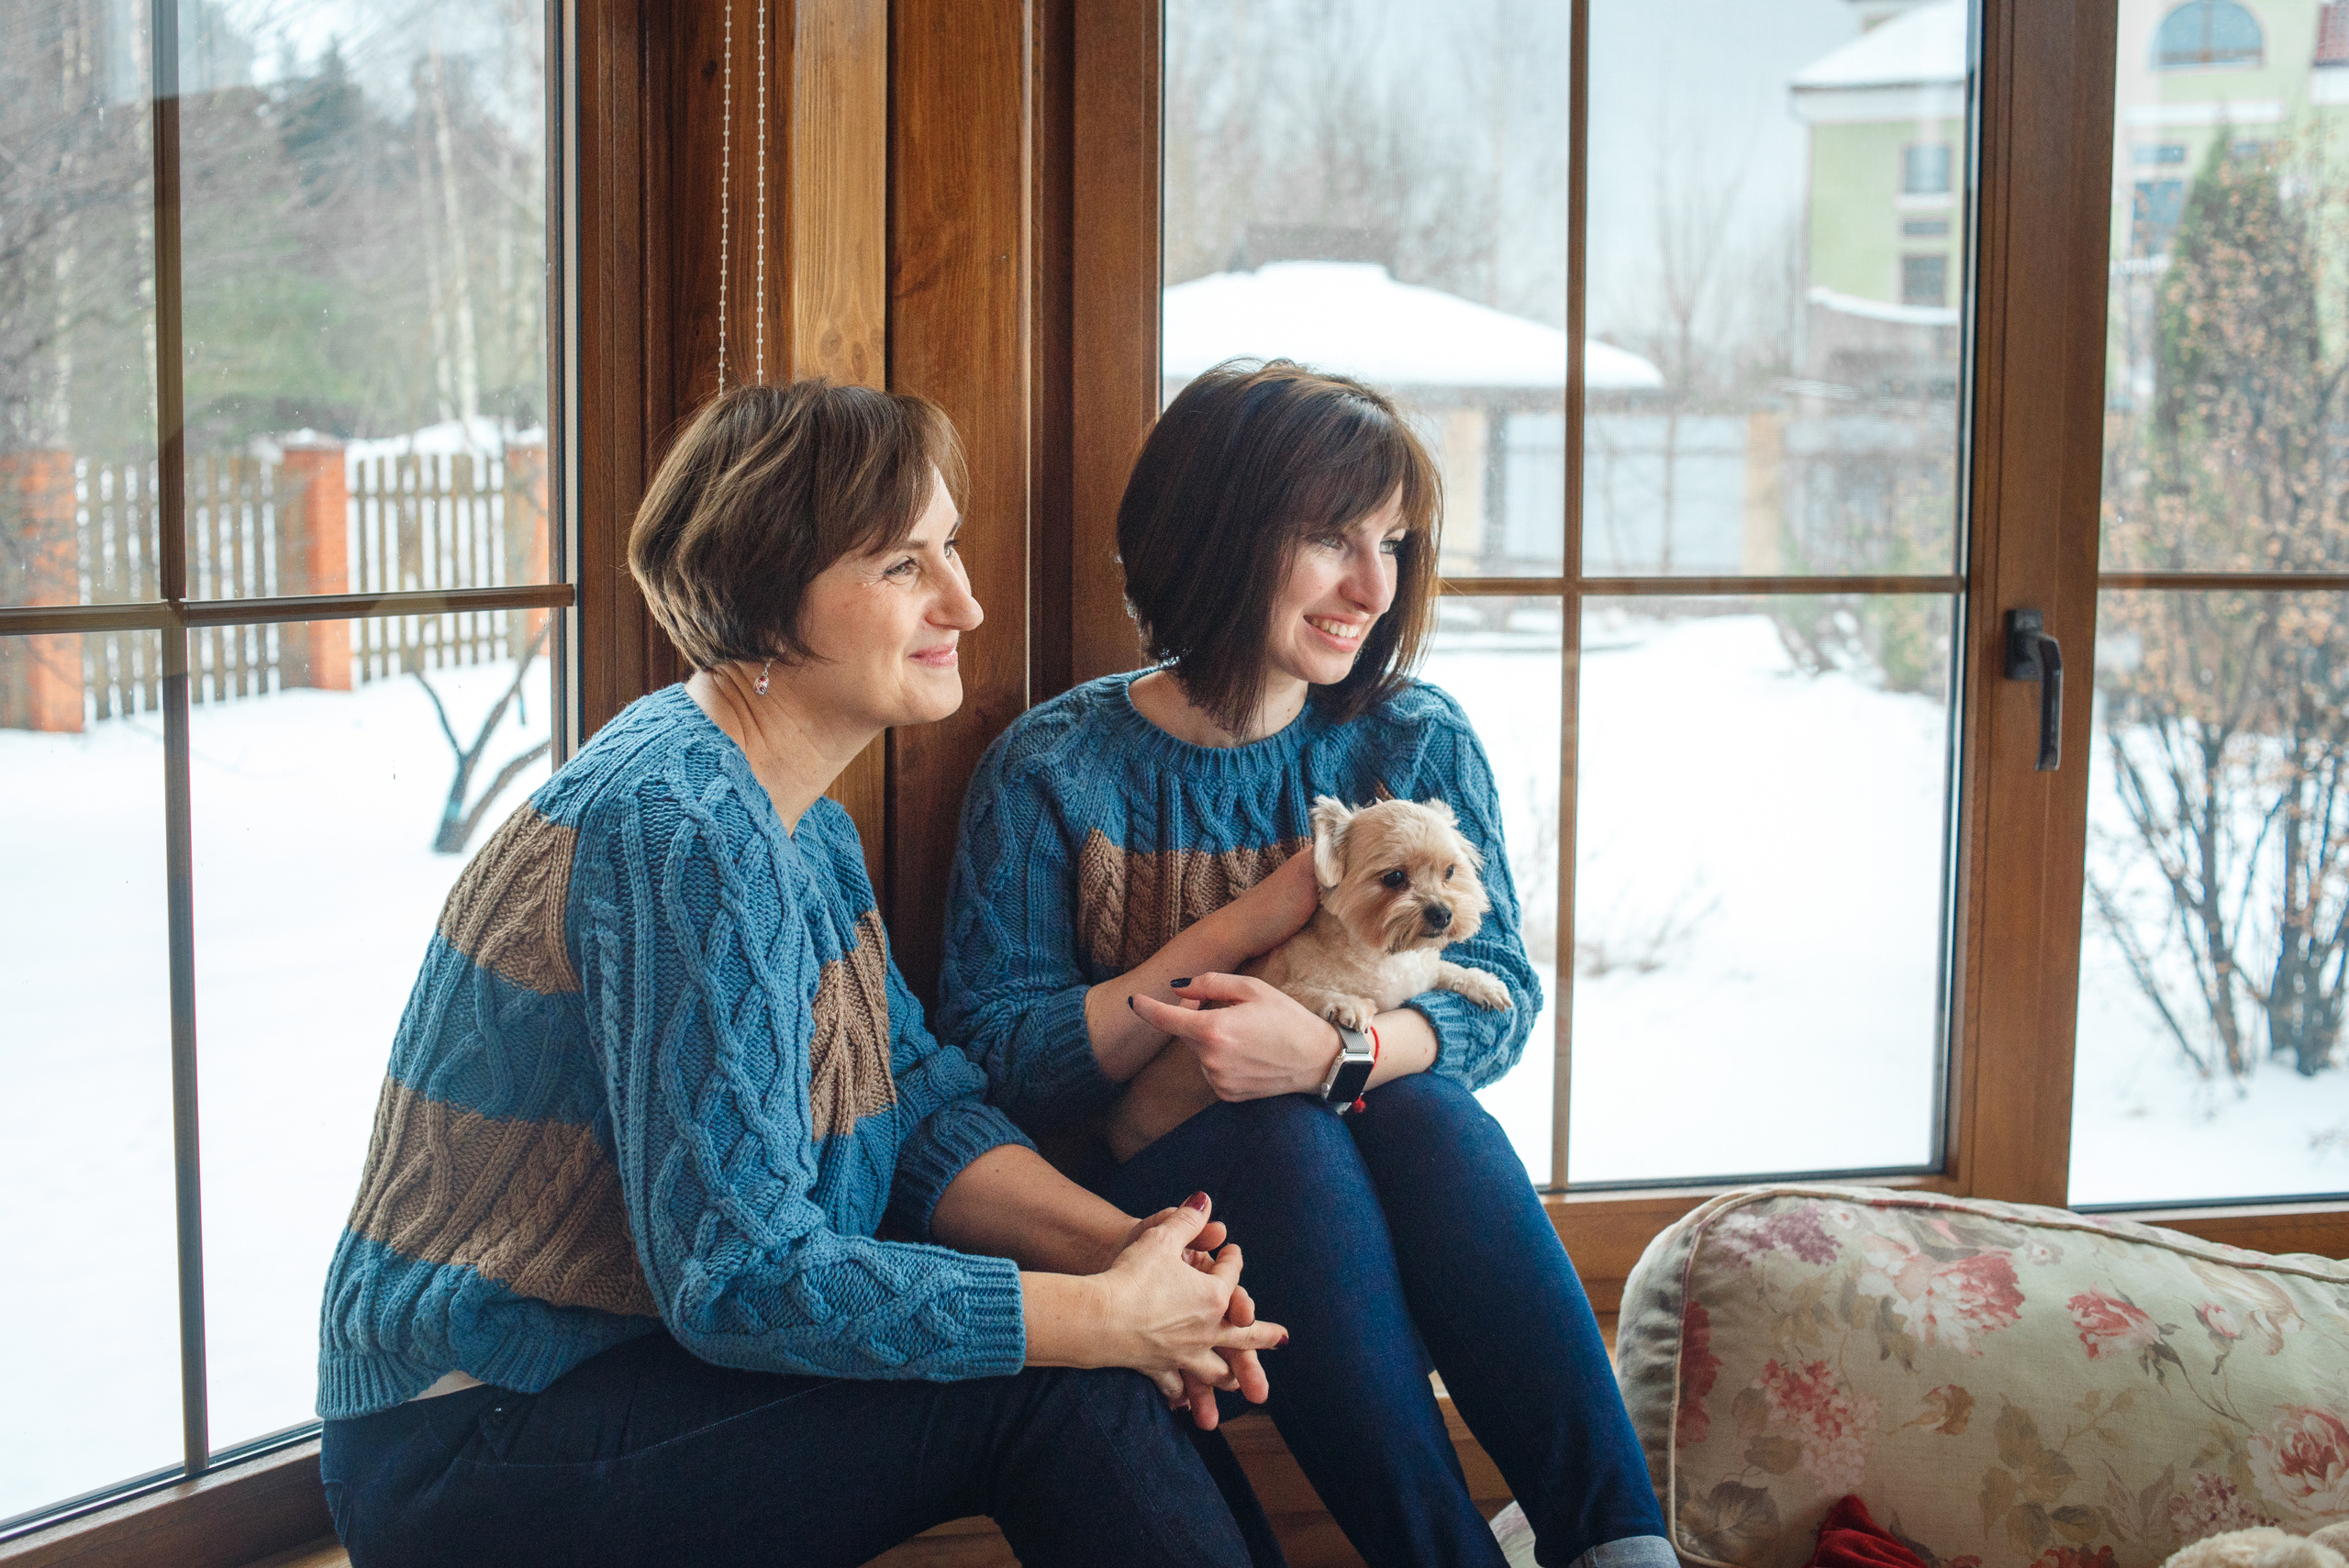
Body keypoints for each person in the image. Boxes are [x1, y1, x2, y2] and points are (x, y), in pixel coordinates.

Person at [315, 381, 1289, 1568]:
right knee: (1064, 1383)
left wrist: (1142, 1260)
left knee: (1119, 1369)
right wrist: (1094, 1318)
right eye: (901, 564)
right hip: (476, 1445)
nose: (965, 601)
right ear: (770, 589)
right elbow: (740, 1275)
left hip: (623, 1378)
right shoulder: (682, 828)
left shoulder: (793, 821)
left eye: (951, 548)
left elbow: (917, 1106)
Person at [938, 360, 1675, 1568]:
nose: (1373, 585)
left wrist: (1339, 1051)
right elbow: (1000, 1060)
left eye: (1392, 540)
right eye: (1332, 536)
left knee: (1421, 1111)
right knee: (1283, 1135)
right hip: (1136, 1203)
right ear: (1220, 534)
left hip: (1362, 1158)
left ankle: (1626, 1549)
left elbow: (1499, 997)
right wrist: (1236, 945)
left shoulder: (1410, 734)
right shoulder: (1054, 771)